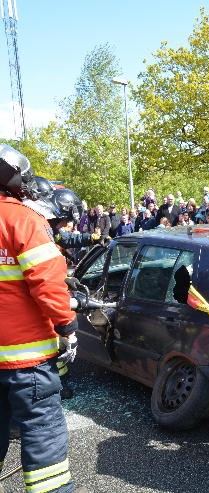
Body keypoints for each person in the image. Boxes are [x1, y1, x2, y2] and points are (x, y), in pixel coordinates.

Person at [0, 145, 85, 493]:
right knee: (42, 432)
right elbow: (48, 286)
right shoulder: (21, 219)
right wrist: (68, 324)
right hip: (25, 359)